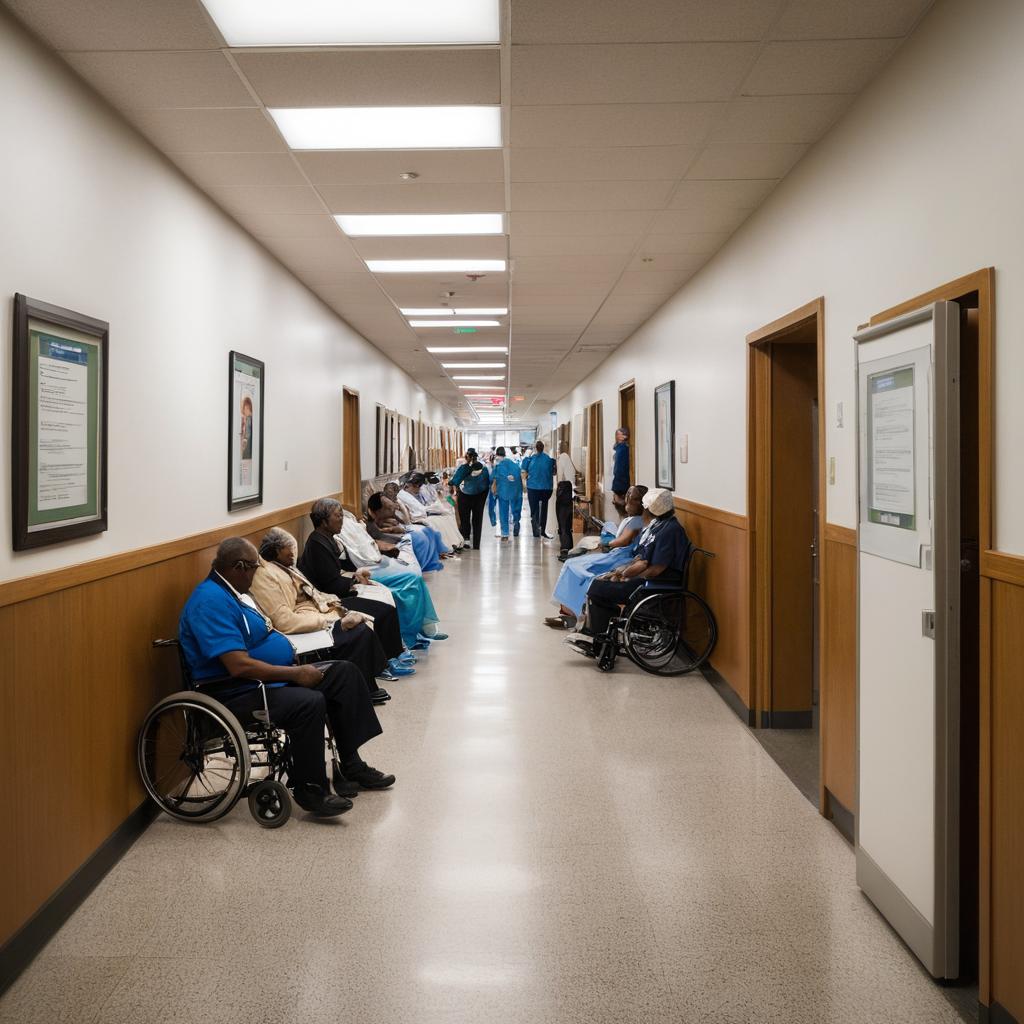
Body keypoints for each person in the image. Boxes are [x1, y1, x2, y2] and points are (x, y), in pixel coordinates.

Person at [179, 537, 395, 817]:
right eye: (256, 568)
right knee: (308, 702)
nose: (258, 574)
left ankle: (351, 765)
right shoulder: (210, 601)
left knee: (344, 673)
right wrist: (295, 673)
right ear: (240, 567)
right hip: (236, 691)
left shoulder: (232, 593)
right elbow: (238, 666)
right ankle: (310, 788)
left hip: (267, 679)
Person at [251, 528, 403, 701]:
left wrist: (332, 603)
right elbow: (284, 619)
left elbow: (312, 591)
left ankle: (369, 679)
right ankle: (364, 685)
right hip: (307, 619)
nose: (293, 552)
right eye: (289, 548)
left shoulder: (284, 566)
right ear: (277, 550)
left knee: (371, 618)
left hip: (319, 608)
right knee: (360, 632)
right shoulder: (265, 575)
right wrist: (328, 621)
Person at [566, 487, 690, 652]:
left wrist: (628, 577)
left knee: (596, 588)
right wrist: (618, 572)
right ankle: (598, 636)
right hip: (643, 578)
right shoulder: (658, 525)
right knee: (599, 583)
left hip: (653, 583)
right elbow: (640, 556)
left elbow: (656, 569)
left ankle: (598, 641)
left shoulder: (670, 531)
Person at [297, 498, 413, 669]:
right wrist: (354, 581)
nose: (341, 519)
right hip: (330, 599)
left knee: (385, 606)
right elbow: (330, 585)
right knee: (383, 611)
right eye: (337, 516)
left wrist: (356, 578)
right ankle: (387, 661)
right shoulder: (317, 544)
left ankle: (394, 654)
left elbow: (336, 573)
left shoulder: (327, 538)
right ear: (323, 521)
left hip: (336, 590)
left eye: (342, 515)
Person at [545, 485, 648, 629]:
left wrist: (603, 542)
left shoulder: (637, 520)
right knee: (572, 564)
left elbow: (624, 540)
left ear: (640, 503)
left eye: (631, 498)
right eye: (627, 496)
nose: (626, 500)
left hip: (621, 557)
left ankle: (574, 614)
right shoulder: (633, 519)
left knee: (577, 568)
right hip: (617, 554)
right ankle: (569, 613)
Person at [397, 473, 465, 552]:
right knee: (441, 519)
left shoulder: (428, 488)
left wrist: (435, 507)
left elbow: (439, 498)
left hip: (425, 511)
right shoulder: (405, 495)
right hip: (419, 515)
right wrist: (432, 509)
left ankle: (455, 543)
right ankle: (447, 545)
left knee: (447, 517)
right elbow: (419, 509)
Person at [450, 448, 490, 549]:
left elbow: (454, 481)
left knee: (464, 518)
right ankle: (476, 544)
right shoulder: (484, 468)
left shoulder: (464, 468)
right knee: (477, 519)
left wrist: (454, 489)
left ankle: (466, 540)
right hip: (480, 496)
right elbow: (487, 484)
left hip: (465, 495)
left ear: (467, 457)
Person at [521, 440, 556, 539]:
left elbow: (524, 473)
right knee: (544, 509)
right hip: (546, 488)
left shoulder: (529, 460)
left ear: (536, 448)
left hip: (533, 488)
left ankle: (536, 531)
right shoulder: (549, 460)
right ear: (543, 448)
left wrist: (524, 486)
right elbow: (554, 472)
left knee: (534, 509)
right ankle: (543, 530)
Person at [491, 445, 523, 542]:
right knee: (515, 509)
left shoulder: (498, 466)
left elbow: (493, 479)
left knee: (503, 512)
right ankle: (516, 522)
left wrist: (494, 489)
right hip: (515, 491)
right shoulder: (515, 465)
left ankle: (505, 534)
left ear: (497, 455)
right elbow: (519, 478)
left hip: (503, 492)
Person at [611, 427, 631, 514]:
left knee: (621, 510)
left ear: (625, 436)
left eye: (620, 434)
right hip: (620, 484)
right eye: (617, 434)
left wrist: (617, 488)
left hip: (621, 485)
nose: (618, 436)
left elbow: (619, 469)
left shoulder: (623, 448)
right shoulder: (620, 448)